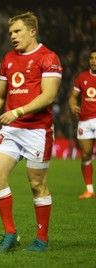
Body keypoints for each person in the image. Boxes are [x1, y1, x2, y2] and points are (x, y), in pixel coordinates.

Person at [0, 12, 62, 252]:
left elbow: (49, 95)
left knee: (37, 185)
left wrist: (18, 111)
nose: (13, 37)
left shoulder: (49, 58)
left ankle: (42, 239)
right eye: (10, 33)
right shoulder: (8, 58)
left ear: (32, 31)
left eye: (17, 31)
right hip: (11, 130)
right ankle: (9, 234)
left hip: (37, 130)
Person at [68, 48, 96, 199]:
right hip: (84, 121)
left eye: (95, 58)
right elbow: (73, 97)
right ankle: (89, 190)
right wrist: (72, 105)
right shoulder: (82, 77)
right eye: (91, 58)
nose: (93, 61)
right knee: (86, 154)